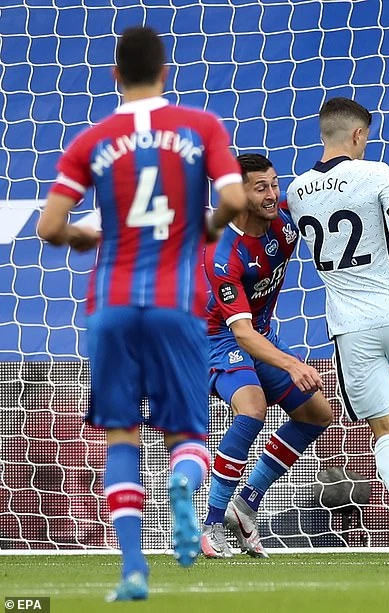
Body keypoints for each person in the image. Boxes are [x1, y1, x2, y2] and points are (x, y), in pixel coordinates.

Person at [37, 27, 246, 601]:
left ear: (114, 75)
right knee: (187, 431)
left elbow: (49, 226)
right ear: (165, 72)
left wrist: (82, 236)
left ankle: (133, 571)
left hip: (111, 307)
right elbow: (232, 200)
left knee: (121, 437)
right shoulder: (201, 127)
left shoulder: (92, 139)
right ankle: (183, 481)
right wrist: (205, 228)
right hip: (176, 305)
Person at [286, 97, 389, 558]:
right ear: (357, 135)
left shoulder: (296, 191)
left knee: (381, 431)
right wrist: (388, 245)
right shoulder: (374, 172)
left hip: (349, 326)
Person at [200, 154, 334, 559]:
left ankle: (246, 504)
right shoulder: (223, 252)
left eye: (274, 184)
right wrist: (292, 364)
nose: (273, 194)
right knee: (253, 408)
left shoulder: (285, 220)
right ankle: (211, 524)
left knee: (316, 414)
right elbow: (239, 332)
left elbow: (326, 191)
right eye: (261, 188)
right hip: (218, 340)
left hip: (260, 334)